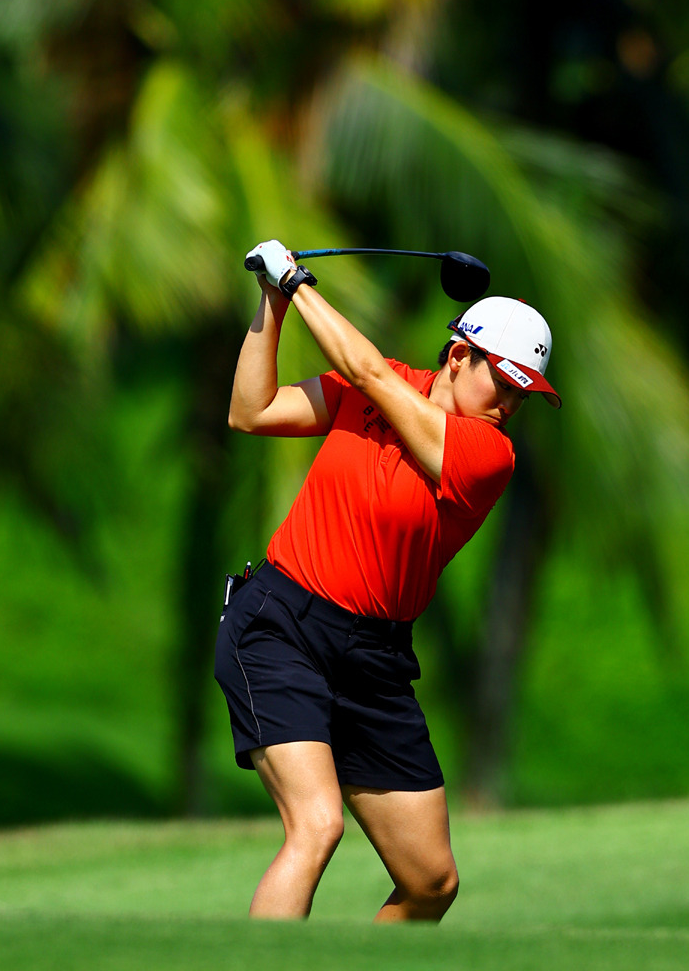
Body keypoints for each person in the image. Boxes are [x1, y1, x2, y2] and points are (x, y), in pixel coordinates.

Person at [214, 238, 558, 923]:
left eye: (526, 395)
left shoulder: (488, 455)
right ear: (460, 355)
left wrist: (298, 282)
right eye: (507, 383)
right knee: (316, 827)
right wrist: (272, 303)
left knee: (431, 882)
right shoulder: (374, 388)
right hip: (281, 628)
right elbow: (250, 411)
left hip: (374, 661)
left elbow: (370, 375)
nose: (510, 406)